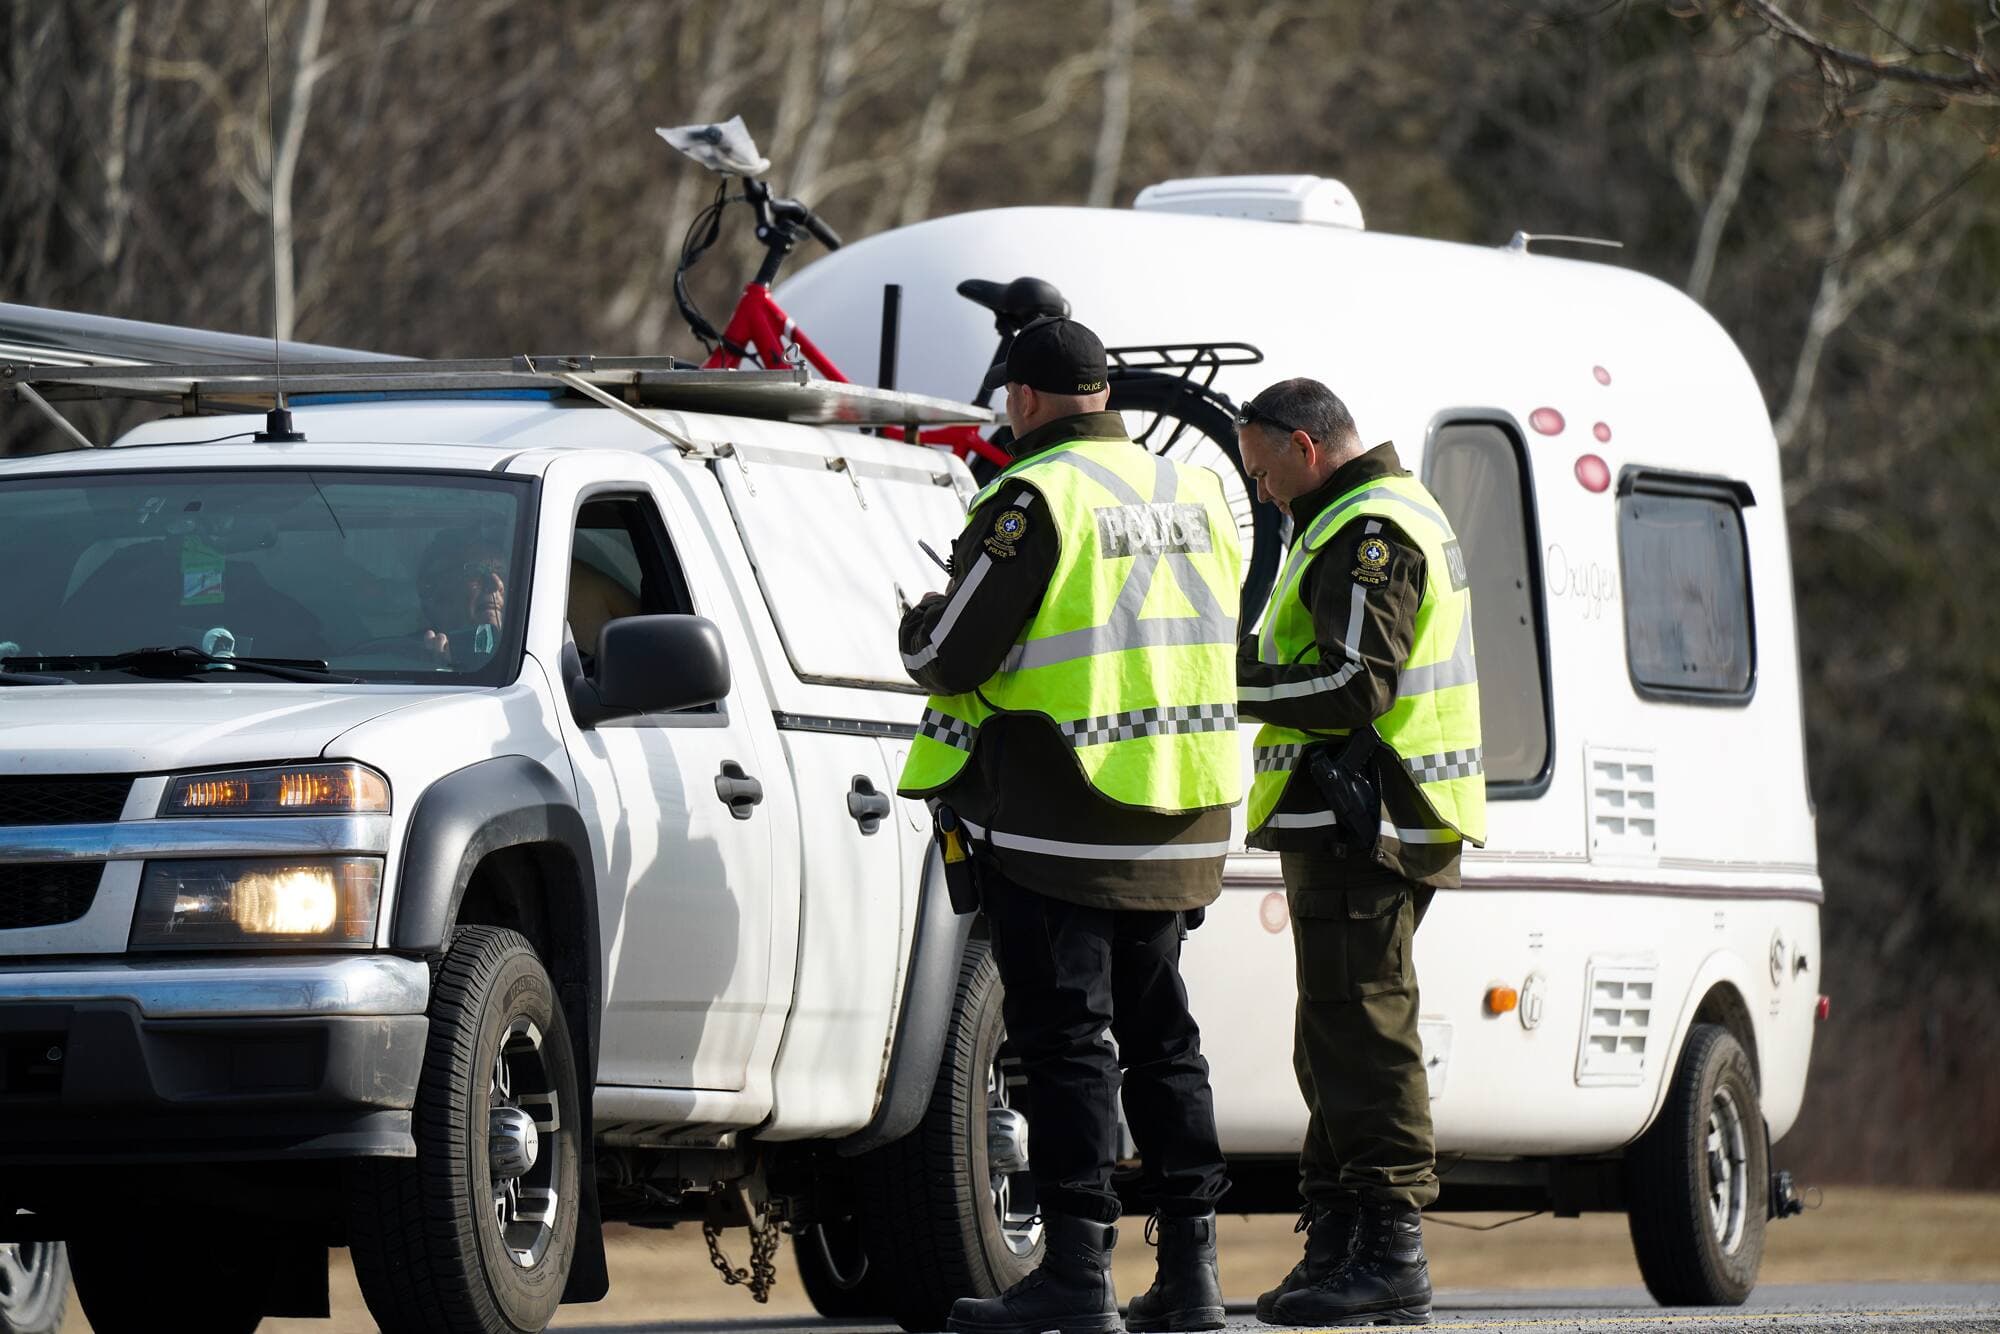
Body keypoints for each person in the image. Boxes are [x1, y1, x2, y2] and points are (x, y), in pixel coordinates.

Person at [897, 317, 1242, 1334]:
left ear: (1028, 399)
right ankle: (1190, 1275)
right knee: (1164, 1041)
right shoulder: (1193, 487)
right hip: (1180, 808)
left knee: (1066, 1046)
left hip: (1064, 814)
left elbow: (952, 655)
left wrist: (917, 625)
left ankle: (1077, 1274)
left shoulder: (1033, 495)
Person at [1232, 379, 1486, 1328]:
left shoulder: (1367, 530)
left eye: (1263, 471)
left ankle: (1390, 1250)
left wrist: (1232, 685)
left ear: (1305, 446)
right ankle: (1339, 1239)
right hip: (1358, 816)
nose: (1262, 492)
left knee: (1366, 1029)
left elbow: (1353, 682)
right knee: (1333, 1031)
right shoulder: (1362, 514)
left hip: (1366, 816)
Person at [413, 531, 508, 668]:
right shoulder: (406, 657)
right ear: (441, 590)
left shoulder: (532, 654)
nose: (497, 584)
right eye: (475, 572)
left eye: (501, 572)